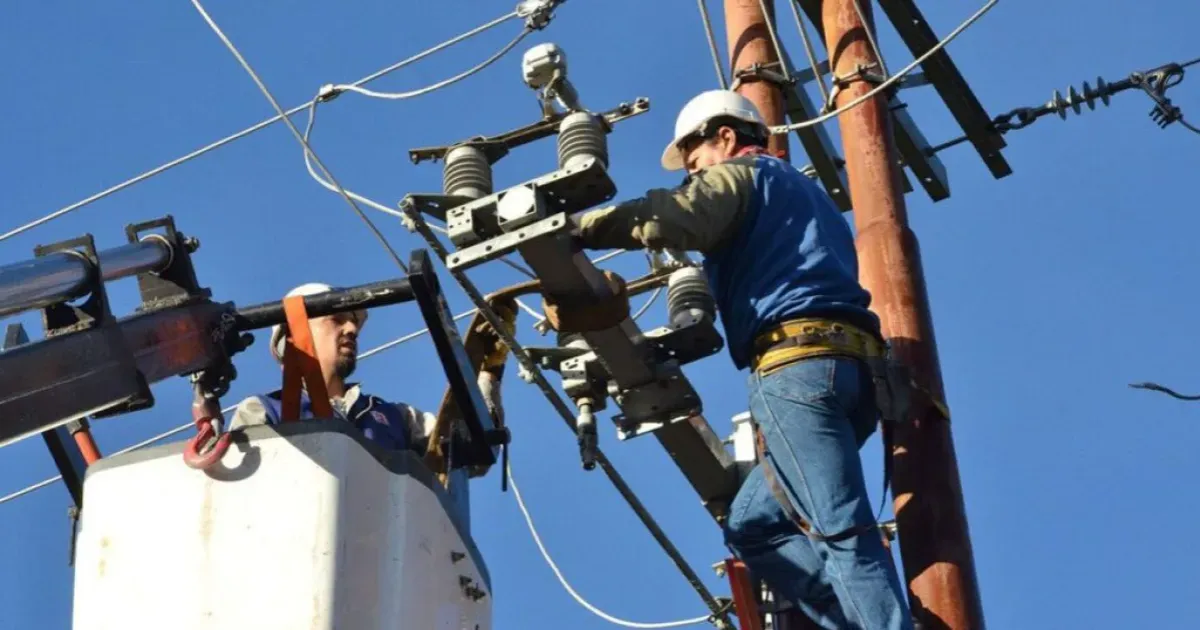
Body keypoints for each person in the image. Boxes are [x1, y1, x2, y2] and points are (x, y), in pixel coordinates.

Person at [570, 90, 912, 630]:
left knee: (840, 530)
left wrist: (580, 228)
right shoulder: (804, 193)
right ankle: (860, 619)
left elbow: (677, 216)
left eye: (694, 160)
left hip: (797, 370)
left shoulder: (744, 176)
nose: (692, 173)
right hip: (854, 375)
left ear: (725, 137)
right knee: (754, 525)